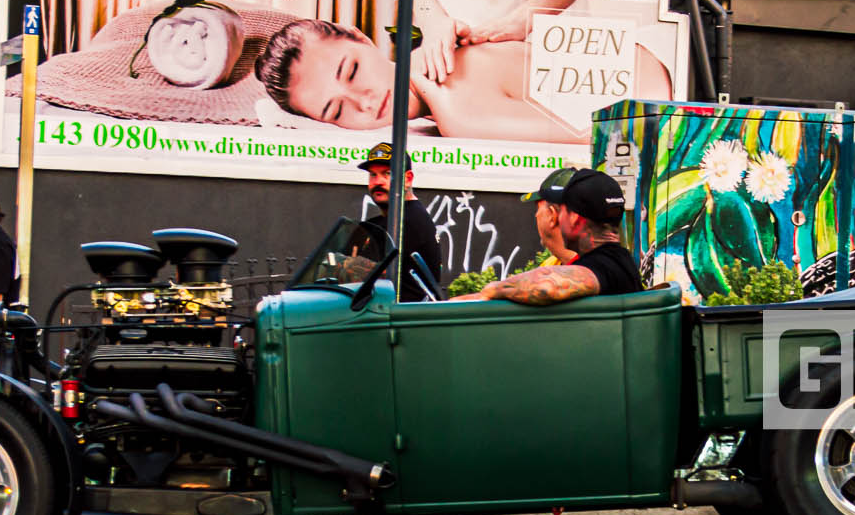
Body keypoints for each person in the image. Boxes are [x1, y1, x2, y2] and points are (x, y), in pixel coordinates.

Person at [255, 17, 666, 146]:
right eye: (336, 110)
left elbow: (609, 135)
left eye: (351, 71)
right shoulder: (442, 69)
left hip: (666, 91)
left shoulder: (456, 106)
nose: (363, 102)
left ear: (361, 38)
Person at [453, 168, 638, 305]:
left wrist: (492, 290)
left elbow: (546, 286)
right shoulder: (615, 261)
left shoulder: (607, 264)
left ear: (574, 219)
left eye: (562, 211)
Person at [353, 142, 443, 302]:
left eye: (387, 174)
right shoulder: (387, 221)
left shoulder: (407, 221)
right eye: (373, 175)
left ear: (408, 179)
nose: (378, 182)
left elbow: (359, 275)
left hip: (399, 314)